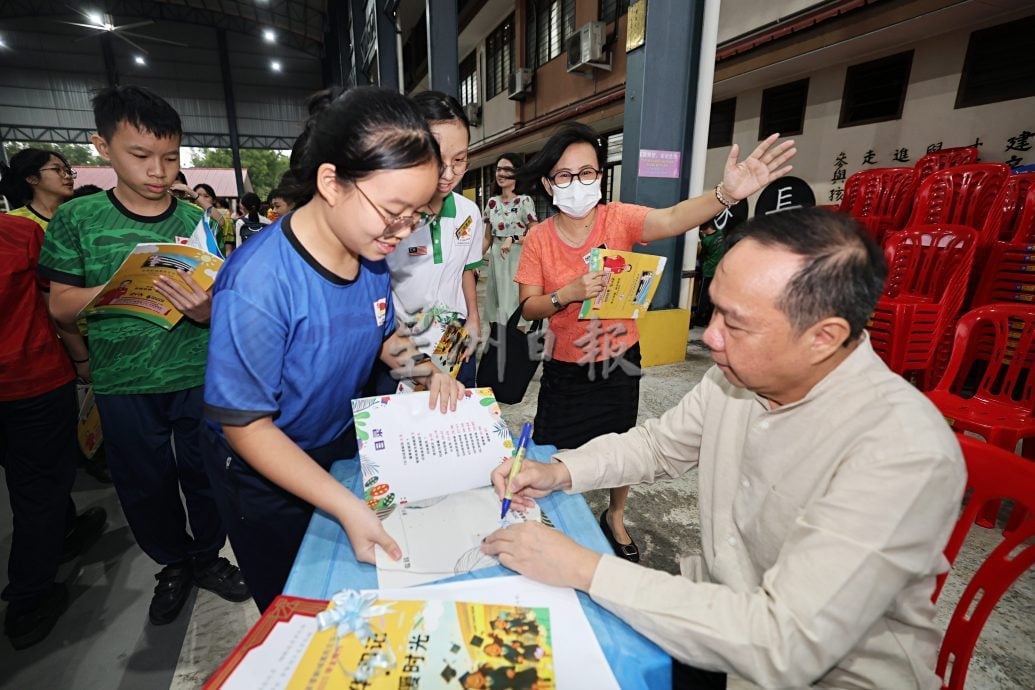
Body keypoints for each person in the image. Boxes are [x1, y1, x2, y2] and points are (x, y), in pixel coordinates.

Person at [483, 208, 967, 689]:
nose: (710, 337)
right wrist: (560, 472)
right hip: (712, 615)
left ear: (824, 337)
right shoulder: (735, 377)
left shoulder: (901, 453)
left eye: (735, 323)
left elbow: (784, 642)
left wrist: (586, 568)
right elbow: (657, 446)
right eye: (713, 310)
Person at [201, 86, 464, 612]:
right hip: (264, 473)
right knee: (296, 606)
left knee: (351, 591)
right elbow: (245, 425)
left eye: (416, 214)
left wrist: (427, 370)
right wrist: (344, 504)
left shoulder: (369, 255)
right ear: (331, 183)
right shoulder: (259, 284)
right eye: (394, 211)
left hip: (335, 446)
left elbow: (383, 336)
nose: (403, 230)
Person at [512, 123, 794, 562]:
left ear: (600, 176)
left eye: (587, 173)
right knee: (553, 445)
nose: (577, 184)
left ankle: (616, 515)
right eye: (564, 176)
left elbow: (672, 218)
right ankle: (557, 515)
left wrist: (727, 194)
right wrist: (565, 295)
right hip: (565, 363)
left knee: (622, 439)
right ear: (549, 183)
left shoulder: (617, 218)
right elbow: (529, 307)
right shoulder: (539, 238)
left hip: (619, 357)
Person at [37, 85, 249, 627]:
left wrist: (208, 310)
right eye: (141, 156)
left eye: (171, 157)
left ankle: (207, 556)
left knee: (207, 473)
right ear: (103, 147)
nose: (159, 170)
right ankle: (173, 563)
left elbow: (218, 288)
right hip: (123, 380)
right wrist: (118, 288)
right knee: (145, 483)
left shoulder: (196, 220)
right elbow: (60, 306)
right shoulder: (77, 220)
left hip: (198, 371)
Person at [0, 213, 107, 649]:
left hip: (27, 382)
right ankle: (28, 599)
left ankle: (67, 528)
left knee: (32, 475)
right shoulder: (20, 233)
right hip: (30, 379)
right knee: (38, 485)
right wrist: (81, 360)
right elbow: (57, 305)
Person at [382, 91, 485, 389]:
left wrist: (473, 319)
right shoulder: (388, 217)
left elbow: (467, 269)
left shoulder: (468, 213)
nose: (449, 173)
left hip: (453, 343)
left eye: (460, 159)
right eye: (438, 160)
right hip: (400, 349)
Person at [482, 152, 537, 330]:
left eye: (507, 169)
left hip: (517, 260)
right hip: (496, 261)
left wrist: (511, 238)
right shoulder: (491, 202)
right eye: (499, 169)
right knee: (494, 312)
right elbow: (486, 238)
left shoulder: (524, 201)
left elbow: (535, 235)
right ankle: (499, 351)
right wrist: (470, 261)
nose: (501, 173)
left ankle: (515, 351)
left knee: (514, 311)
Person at [0, 148, 76, 231]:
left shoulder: (84, 214)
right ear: (32, 178)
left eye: (68, 171)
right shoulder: (12, 222)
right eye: (56, 169)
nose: (68, 176)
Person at [693, 218, 725, 327]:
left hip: (708, 270)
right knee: (713, 296)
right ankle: (709, 318)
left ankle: (698, 318)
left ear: (703, 229)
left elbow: (700, 254)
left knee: (702, 296)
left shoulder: (706, 241)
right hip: (719, 270)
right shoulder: (721, 234)